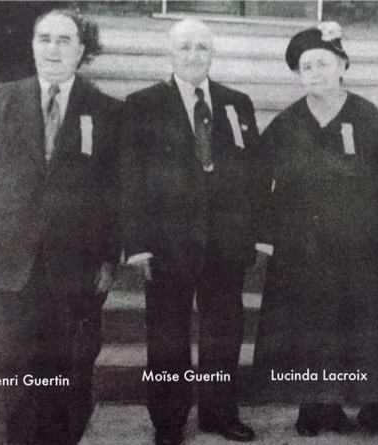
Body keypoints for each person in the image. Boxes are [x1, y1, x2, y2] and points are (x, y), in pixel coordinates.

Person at [0, 10, 120, 444]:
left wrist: (109, 259)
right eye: (44, 38)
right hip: (4, 264)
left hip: (73, 271)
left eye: (64, 40)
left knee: (65, 379)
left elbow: (115, 192)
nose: (53, 49)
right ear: (33, 45)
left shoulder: (106, 109)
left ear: (81, 49)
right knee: (4, 379)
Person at [119, 18, 261, 445]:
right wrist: (138, 245)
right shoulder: (143, 104)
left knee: (224, 332)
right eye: (184, 47)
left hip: (224, 242)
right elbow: (129, 178)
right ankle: (168, 421)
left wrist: (252, 234)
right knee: (166, 336)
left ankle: (220, 413)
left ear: (212, 53)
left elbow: (254, 172)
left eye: (202, 47)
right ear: (170, 53)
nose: (194, 55)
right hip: (167, 244)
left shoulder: (237, 103)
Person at [252, 21, 378, 437]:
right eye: (306, 67)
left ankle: (361, 401)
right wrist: (267, 234)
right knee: (309, 328)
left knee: (356, 325)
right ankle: (315, 406)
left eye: (322, 63)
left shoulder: (366, 116)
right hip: (303, 249)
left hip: (359, 248)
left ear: (342, 65)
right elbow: (256, 180)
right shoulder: (287, 123)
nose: (314, 73)